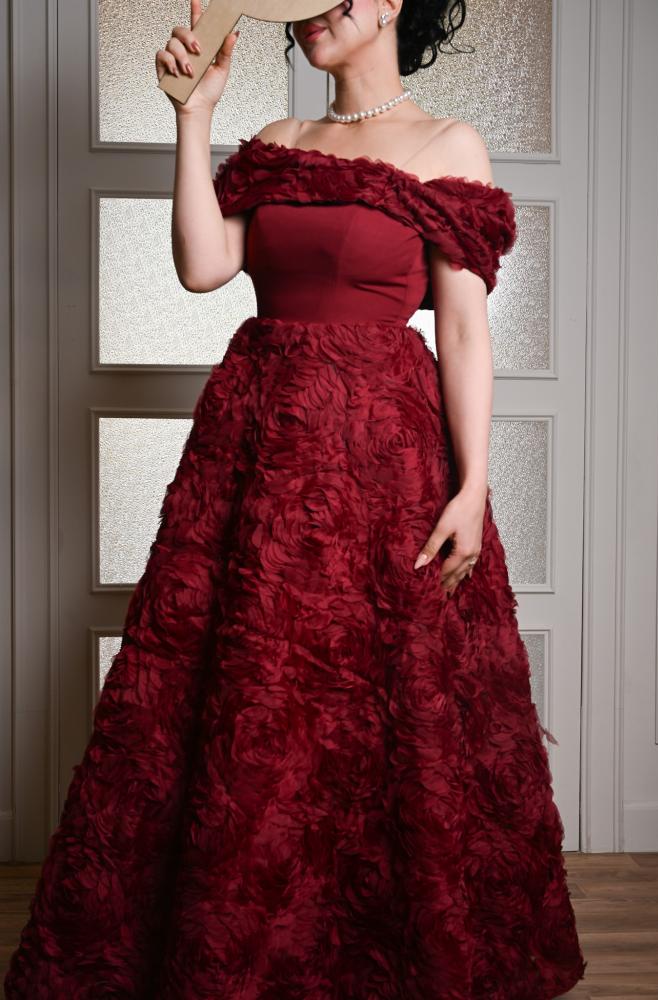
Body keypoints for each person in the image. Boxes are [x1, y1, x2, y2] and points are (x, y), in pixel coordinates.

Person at [4, 1, 588, 997]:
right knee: (249, 700)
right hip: (255, 456)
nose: (312, 13)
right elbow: (204, 267)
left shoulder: (449, 144)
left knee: (383, 706)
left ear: (391, 2)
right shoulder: (277, 138)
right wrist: (194, 114)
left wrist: (473, 484)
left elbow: (462, 327)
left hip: (384, 464)